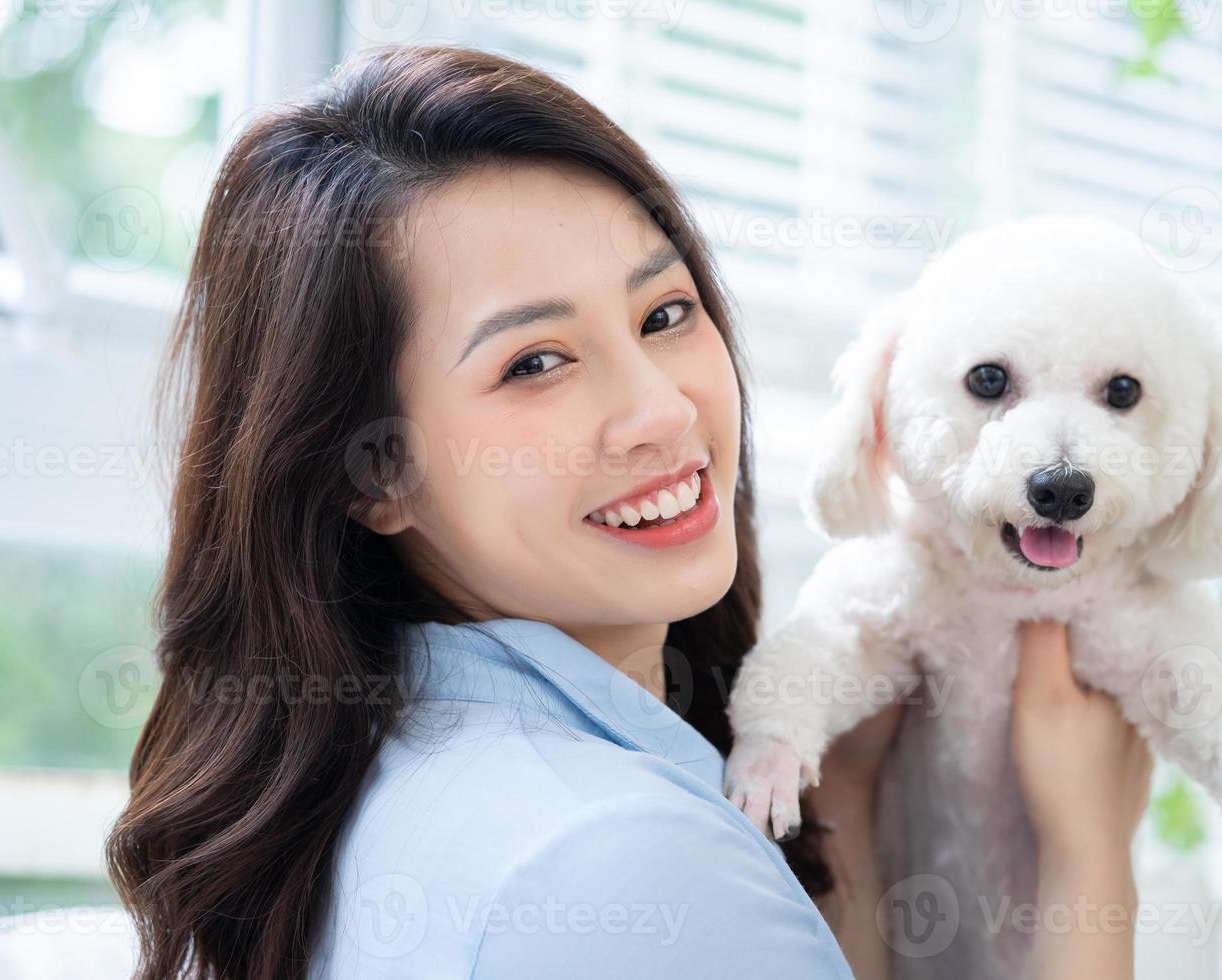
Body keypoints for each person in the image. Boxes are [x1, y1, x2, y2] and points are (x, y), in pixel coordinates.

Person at [105, 45, 1152, 980]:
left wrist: (856, 808)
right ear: (373, 470)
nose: (661, 411)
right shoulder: (625, 858)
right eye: (537, 362)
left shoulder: (377, 776)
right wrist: (1089, 852)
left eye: (664, 313)